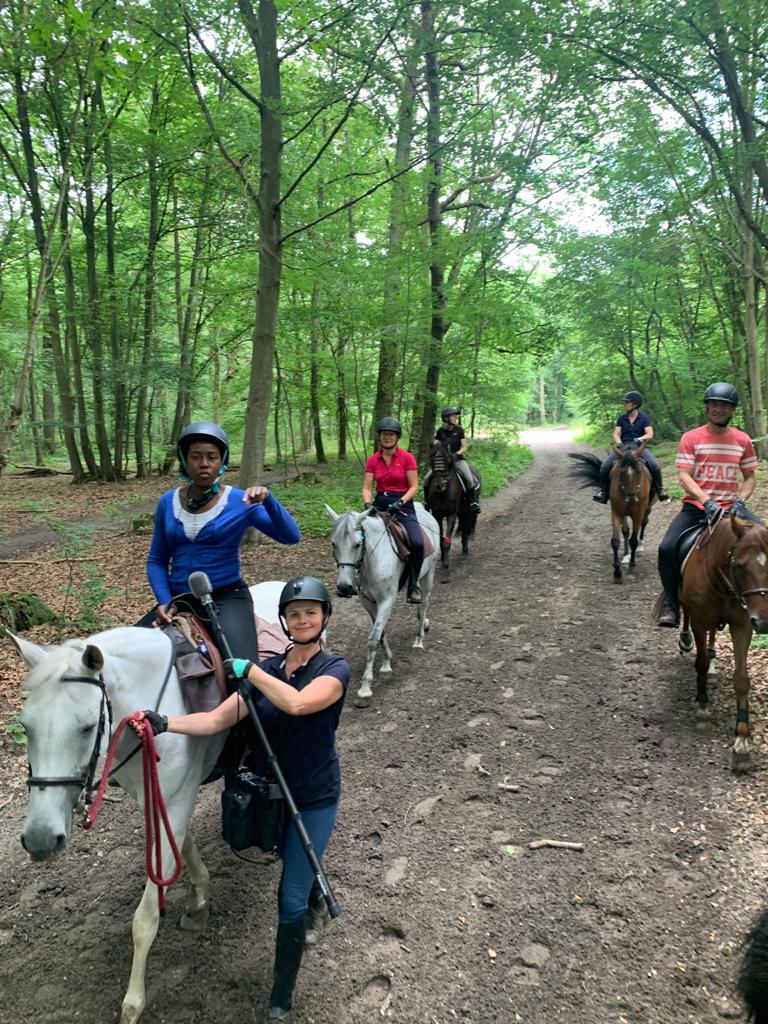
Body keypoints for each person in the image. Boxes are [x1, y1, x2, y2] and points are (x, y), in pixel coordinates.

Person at [133, 576, 349, 1023]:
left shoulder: (334, 670)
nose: (302, 619)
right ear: (285, 622)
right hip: (271, 794)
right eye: (293, 613)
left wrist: (248, 670)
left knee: (289, 898)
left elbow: (298, 705)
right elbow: (214, 720)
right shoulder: (269, 672)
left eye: (310, 611)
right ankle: (309, 891)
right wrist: (165, 723)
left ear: (324, 617)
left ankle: (280, 998)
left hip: (313, 797)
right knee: (288, 860)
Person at [138, 422, 301, 661]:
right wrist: (164, 601)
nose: (204, 463)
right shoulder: (167, 502)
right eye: (196, 456)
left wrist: (268, 501)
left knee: (242, 672)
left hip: (226, 598)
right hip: (179, 598)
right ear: (185, 460)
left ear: (221, 461)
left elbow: (291, 536)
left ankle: (252, 698)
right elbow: (157, 559)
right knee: (126, 657)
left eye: (212, 457)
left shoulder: (240, 500)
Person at [656, 383, 760, 627]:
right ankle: (672, 605)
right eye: (714, 404)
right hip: (697, 509)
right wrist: (706, 501)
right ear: (707, 407)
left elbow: (750, 478)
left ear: (732, 410)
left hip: (732, 510)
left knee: (763, 545)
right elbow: (684, 475)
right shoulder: (691, 438)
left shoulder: (743, 440)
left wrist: (740, 500)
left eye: (724, 405)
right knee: (666, 549)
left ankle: (759, 602)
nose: (718, 409)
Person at [362, 416, 424, 602]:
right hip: (380, 502)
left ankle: (413, 584)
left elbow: (414, 486)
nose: (387, 437)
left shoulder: (407, 458)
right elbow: (367, 487)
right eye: (384, 434)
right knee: (358, 536)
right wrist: (367, 504)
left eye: (391, 434)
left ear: (397, 437)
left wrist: (401, 502)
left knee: (417, 542)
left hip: (403, 504)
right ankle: (355, 578)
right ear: (379, 437)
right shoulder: (373, 460)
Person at [593, 391, 669, 504]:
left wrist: (640, 439)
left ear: (635, 404)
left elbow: (650, 434)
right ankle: (603, 492)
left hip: (639, 448)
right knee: (604, 466)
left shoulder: (644, 418)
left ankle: (660, 490)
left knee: (655, 466)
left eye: (626, 403)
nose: (624, 405)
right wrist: (619, 442)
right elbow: (616, 434)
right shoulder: (621, 419)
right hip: (623, 447)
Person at [424, 407, 481, 512]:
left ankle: (472, 502)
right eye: (453, 416)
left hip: (458, 460)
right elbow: (435, 443)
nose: (456, 418)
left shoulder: (459, 430)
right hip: (444, 462)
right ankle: (427, 502)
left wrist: (456, 454)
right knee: (426, 479)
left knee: (469, 479)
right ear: (446, 418)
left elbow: (464, 446)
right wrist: (440, 448)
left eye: (456, 416)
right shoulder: (441, 431)